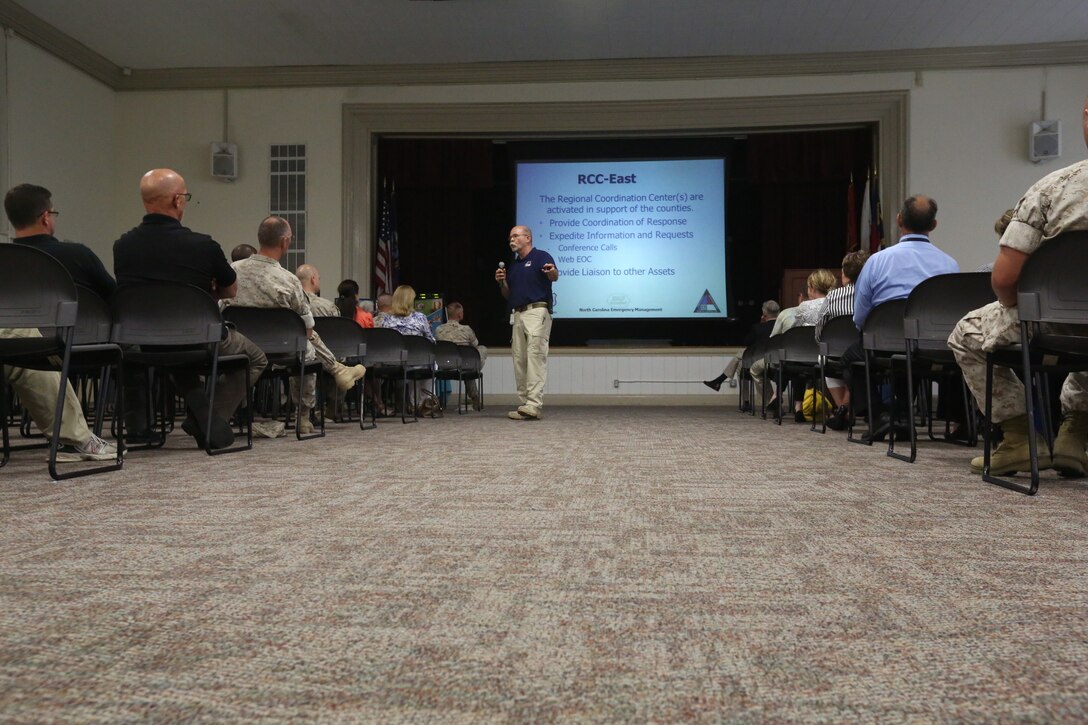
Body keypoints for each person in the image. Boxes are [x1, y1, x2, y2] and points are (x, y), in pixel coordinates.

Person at [948, 97, 1088, 477]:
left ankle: (1021, 439)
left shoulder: (1053, 189)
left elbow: (1005, 280)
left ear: (1086, 117)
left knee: (966, 333)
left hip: (1050, 323)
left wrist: (1022, 312)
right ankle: (1077, 435)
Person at [113, 168, 267, 449]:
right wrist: (205, 291)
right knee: (256, 357)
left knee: (166, 351)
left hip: (143, 341)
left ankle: (150, 425)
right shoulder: (203, 245)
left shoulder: (123, 245)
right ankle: (209, 419)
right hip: (200, 338)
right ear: (177, 201)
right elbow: (231, 290)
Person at [2, 184, 117, 462]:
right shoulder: (77, 254)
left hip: (28, 343)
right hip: (74, 340)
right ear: (45, 217)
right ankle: (73, 439)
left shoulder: (5, 259)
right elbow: (114, 298)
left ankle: (74, 437)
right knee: (22, 340)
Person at [222, 216, 367, 434]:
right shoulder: (288, 280)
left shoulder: (232, 271)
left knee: (303, 339)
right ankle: (304, 416)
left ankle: (230, 412)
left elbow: (221, 309)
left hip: (239, 347)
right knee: (306, 344)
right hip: (282, 349)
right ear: (285, 242)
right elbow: (307, 325)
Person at [846, 194, 959, 439]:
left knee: (851, 358)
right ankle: (905, 414)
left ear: (898, 220)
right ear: (933, 225)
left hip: (883, 344)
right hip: (930, 345)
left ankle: (878, 416)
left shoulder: (877, 261)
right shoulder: (950, 265)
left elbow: (860, 317)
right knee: (912, 356)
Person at [749, 269, 836, 421]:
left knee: (789, 360)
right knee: (795, 362)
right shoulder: (836, 304)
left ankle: (780, 398)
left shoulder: (804, 307)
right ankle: (799, 408)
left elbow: (796, 333)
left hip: (807, 357)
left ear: (812, 288)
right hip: (829, 356)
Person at [495, 226, 558, 421]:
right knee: (519, 359)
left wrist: (552, 271)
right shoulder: (513, 266)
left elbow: (554, 276)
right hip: (518, 314)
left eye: (515, 236)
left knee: (535, 356)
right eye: (510, 237)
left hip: (537, 311)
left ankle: (533, 403)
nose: (511, 240)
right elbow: (509, 295)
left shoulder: (541, 256)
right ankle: (525, 404)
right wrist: (502, 283)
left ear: (528, 237)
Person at [814, 249, 870, 430]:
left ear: (844, 273)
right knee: (857, 366)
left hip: (835, 352)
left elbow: (820, 330)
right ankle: (845, 410)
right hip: (867, 351)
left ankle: (843, 410)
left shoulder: (832, 296)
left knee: (825, 359)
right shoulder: (874, 295)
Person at [704, 300, 780, 392]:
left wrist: (761, 324)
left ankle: (722, 382)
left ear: (764, 313)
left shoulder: (758, 328)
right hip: (778, 362)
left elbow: (747, 342)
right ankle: (719, 381)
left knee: (741, 354)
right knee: (740, 364)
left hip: (761, 362)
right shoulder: (783, 327)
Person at [435, 301, 488, 410]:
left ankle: (473, 393)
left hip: (445, 366)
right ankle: (474, 395)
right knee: (481, 350)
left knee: (467, 363)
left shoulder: (438, 330)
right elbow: (475, 345)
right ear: (459, 315)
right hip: (464, 365)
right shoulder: (466, 330)